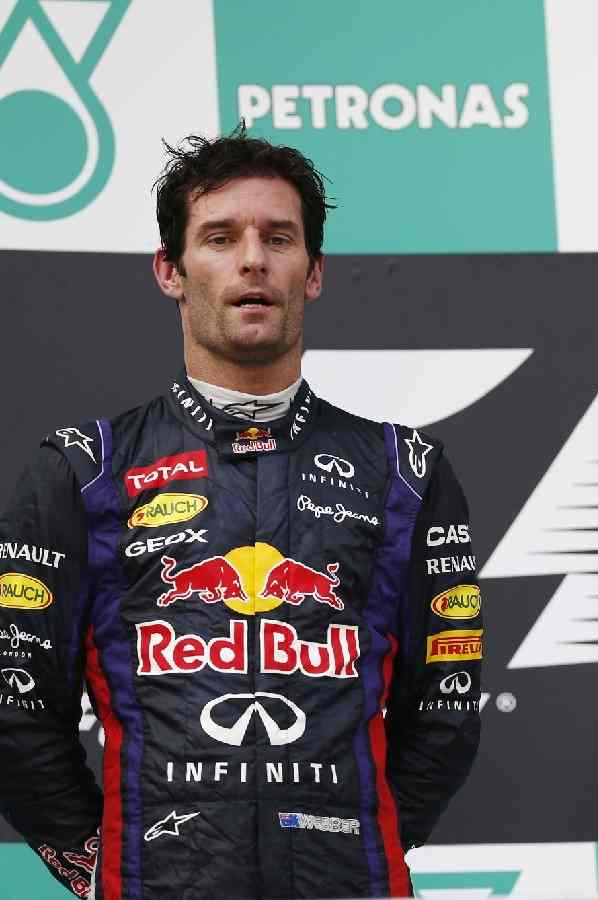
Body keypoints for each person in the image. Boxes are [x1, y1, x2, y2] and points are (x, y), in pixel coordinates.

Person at [0, 126, 484, 899]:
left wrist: (357, 839)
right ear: (171, 270)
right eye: (220, 237)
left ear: (314, 272)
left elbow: (445, 717)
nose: (252, 259)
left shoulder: (405, 472)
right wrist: (104, 863)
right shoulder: (84, 471)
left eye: (279, 238)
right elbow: (16, 710)